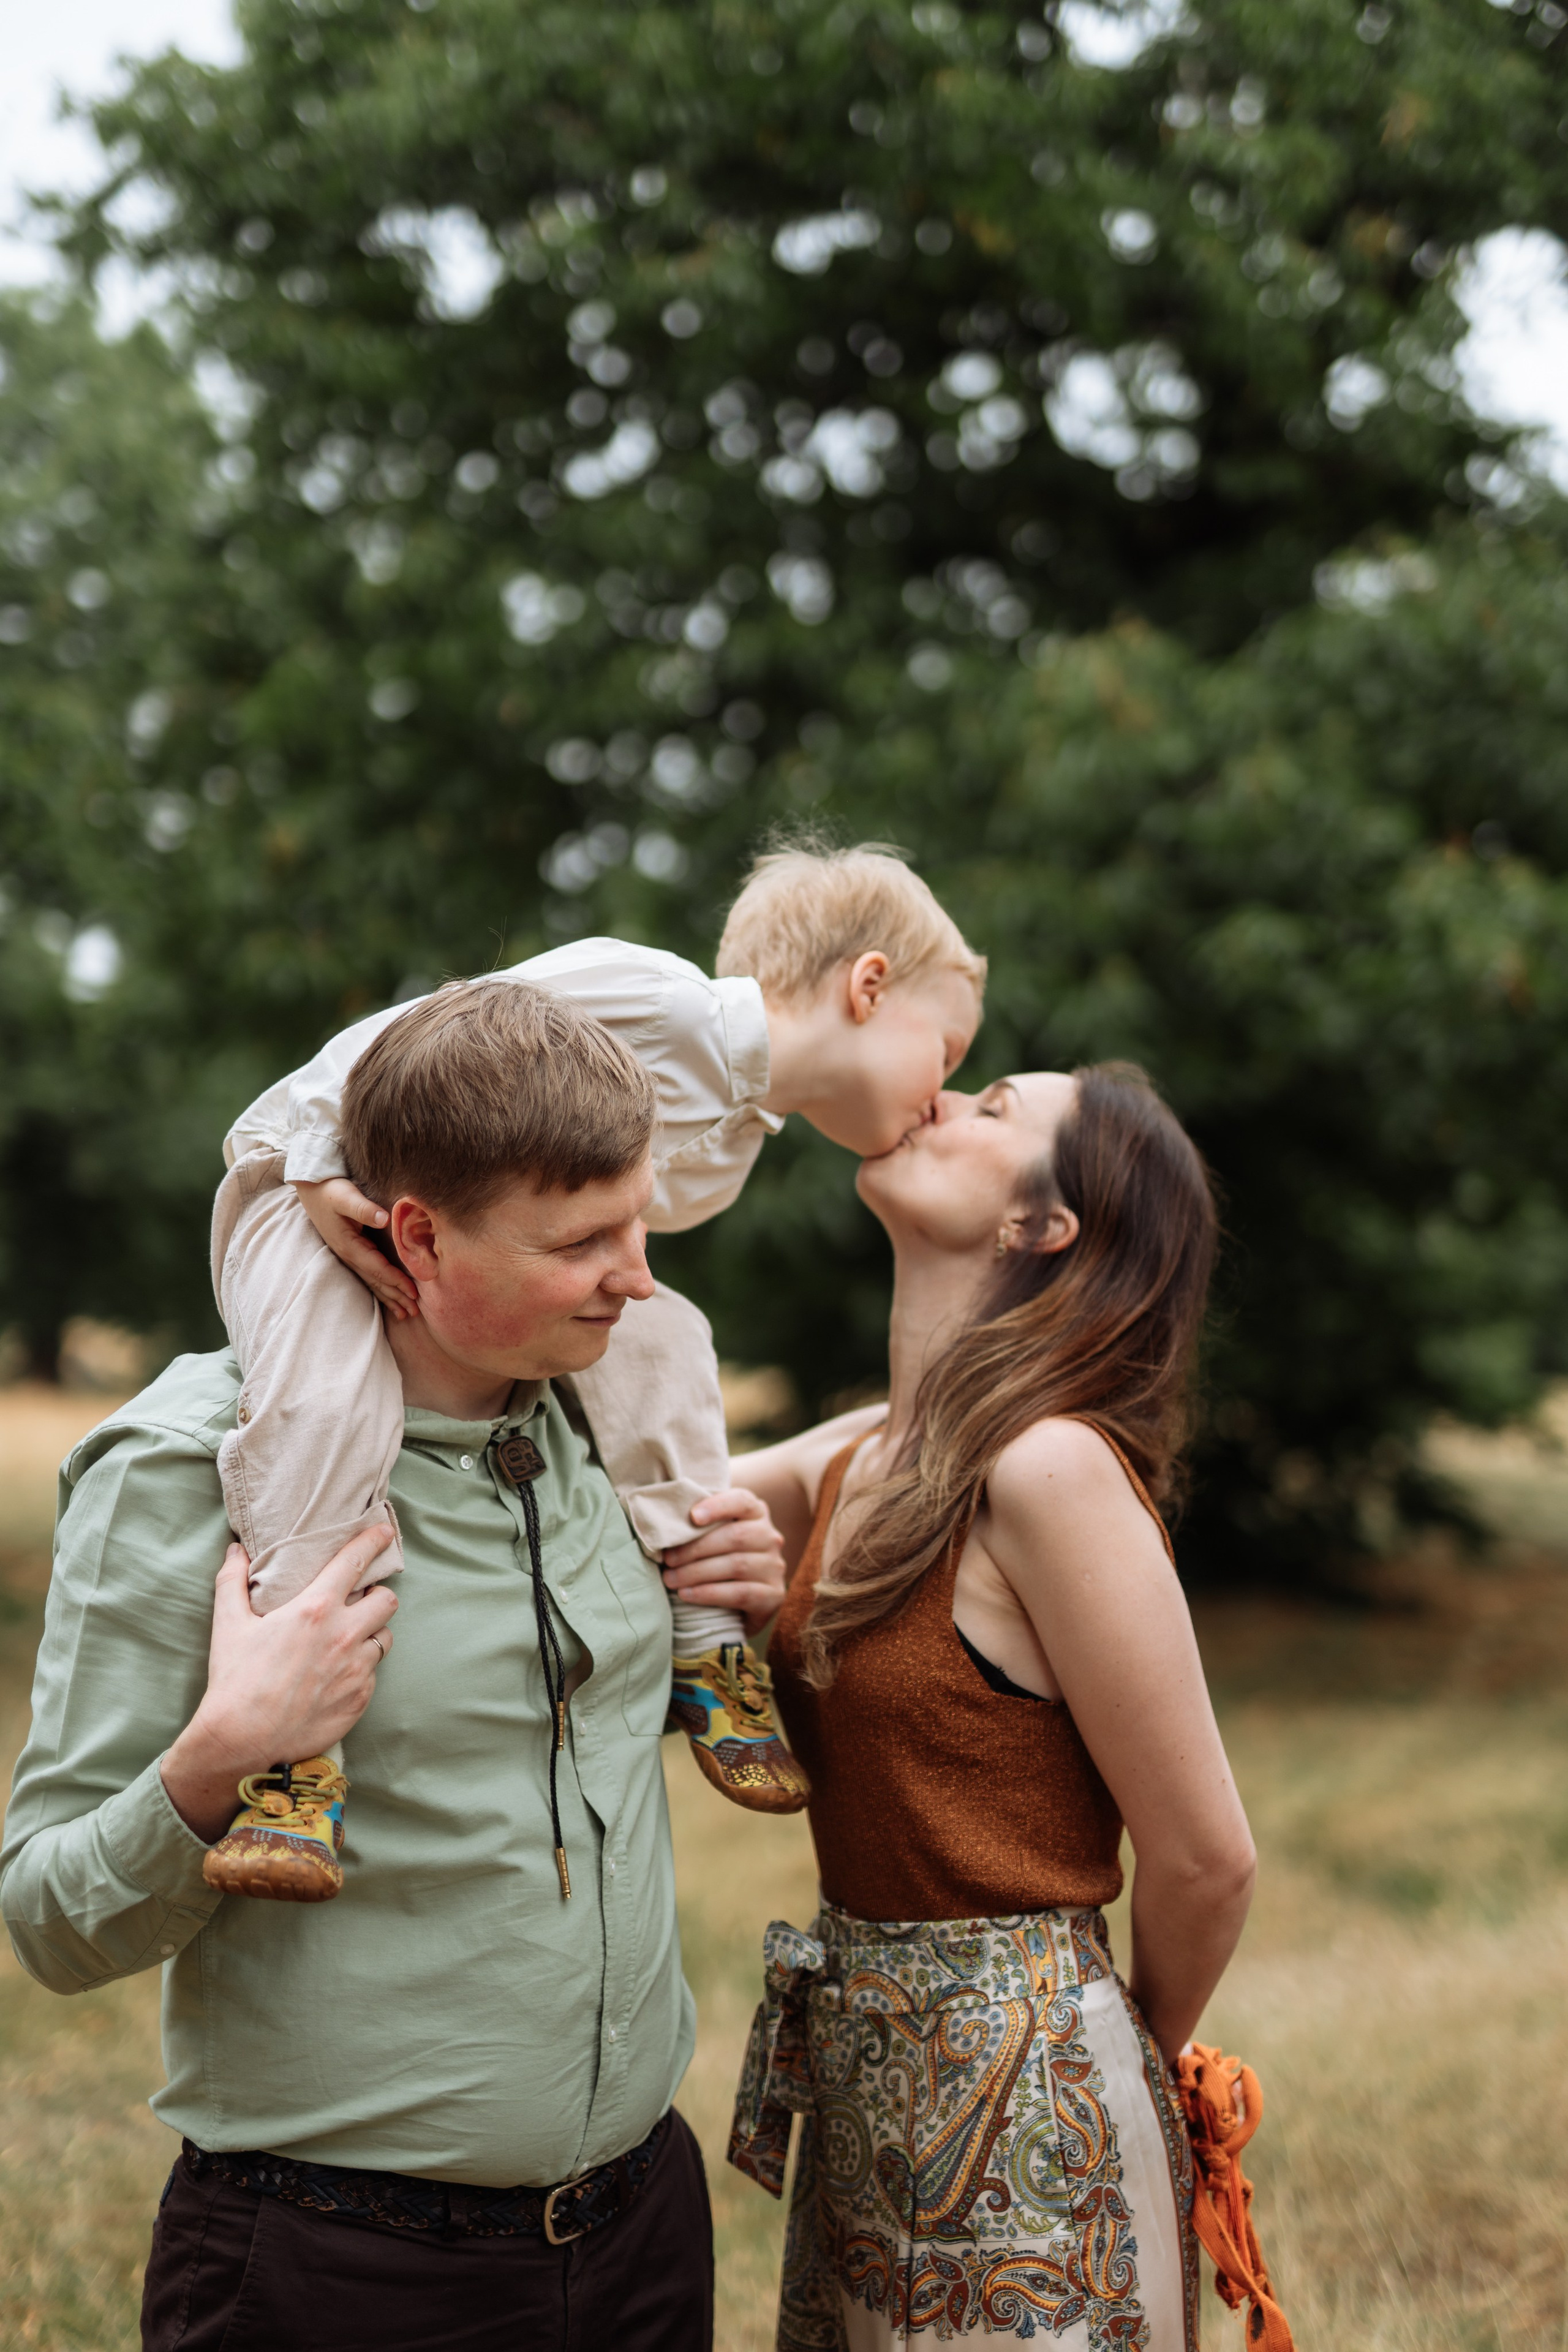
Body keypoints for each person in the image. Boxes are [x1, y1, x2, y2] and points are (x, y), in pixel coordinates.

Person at [1, 981, 788, 2352]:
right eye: (582, 1240)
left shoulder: (607, 1422)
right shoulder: (191, 1466)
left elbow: (525, 1737)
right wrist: (218, 1758)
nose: (640, 1274)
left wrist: (718, 1608)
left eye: (641, 1219)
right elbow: (50, 1923)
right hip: (334, 2279)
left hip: (641, 2243)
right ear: (413, 1236)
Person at [208, 843, 986, 1891]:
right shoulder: (661, 1003)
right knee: (321, 1399)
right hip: (314, 1183)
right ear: (870, 986)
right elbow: (402, 1039)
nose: (945, 1097)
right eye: (948, 1053)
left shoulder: (728, 1146)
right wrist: (311, 1166)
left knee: (673, 1339)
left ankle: (707, 1645)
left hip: (460, 1240)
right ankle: (292, 1756)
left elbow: (594, 1255)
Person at [726, 1063, 1259, 2352]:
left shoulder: (1048, 1467)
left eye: (992, 1105)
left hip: (1029, 2092)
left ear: (1041, 1225)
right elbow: (629, 1498)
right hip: (859, 2073)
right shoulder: (861, 1454)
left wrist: (1106, 2056)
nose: (940, 1096)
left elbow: (1204, 1857)